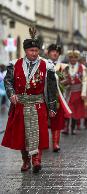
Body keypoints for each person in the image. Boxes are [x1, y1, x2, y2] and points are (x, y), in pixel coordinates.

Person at [1, 27, 57, 173]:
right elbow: (8, 82)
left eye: (36, 51)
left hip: (38, 104)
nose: (34, 53)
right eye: (31, 51)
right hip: (20, 104)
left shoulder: (47, 66)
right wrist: (11, 93)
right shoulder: (14, 64)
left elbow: (51, 88)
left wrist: (52, 107)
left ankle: (36, 160)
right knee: (22, 135)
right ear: (26, 51)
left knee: (37, 133)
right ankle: (26, 160)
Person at [47, 43, 72, 152]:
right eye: (53, 51)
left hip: (57, 97)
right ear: (48, 53)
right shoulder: (43, 64)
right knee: (42, 121)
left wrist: (61, 82)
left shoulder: (63, 66)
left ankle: (55, 143)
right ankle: (42, 142)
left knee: (57, 121)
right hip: (44, 97)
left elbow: (68, 80)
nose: (55, 53)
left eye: (57, 52)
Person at [62, 50, 87, 135]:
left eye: (75, 57)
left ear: (77, 58)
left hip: (78, 93)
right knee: (67, 110)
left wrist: (83, 93)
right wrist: (64, 84)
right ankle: (66, 128)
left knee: (75, 113)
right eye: (71, 57)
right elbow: (62, 79)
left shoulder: (82, 67)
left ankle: (72, 129)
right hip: (68, 93)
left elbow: (85, 81)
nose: (73, 59)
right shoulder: (65, 67)